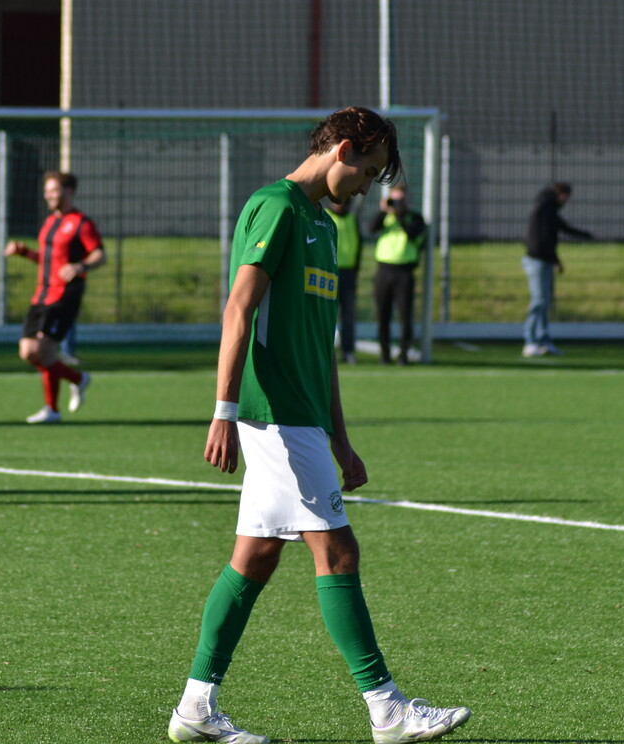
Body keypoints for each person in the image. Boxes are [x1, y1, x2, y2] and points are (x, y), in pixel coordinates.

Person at [168, 107, 470, 744]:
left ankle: (195, 707)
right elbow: (238, 310)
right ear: (344, 150)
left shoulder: (325, 228)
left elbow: (320, 346)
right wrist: (224, 410)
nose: (367, 188)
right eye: (368, 171)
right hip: (274, 413)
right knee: (337, 550)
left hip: (304, 419)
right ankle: (386, 709)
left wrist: (341, 437)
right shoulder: (275, 207)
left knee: (254, 558)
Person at [4, 171, 105, 424]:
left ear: (68, 191)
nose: (48, 195)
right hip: (42, 293)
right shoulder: (50, 222)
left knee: (44, 349)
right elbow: (48, 260)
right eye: (46, 191)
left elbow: (99, 255)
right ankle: (78, 379)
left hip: (65, 294)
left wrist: (80, 266)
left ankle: (52, 410)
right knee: (27, 351)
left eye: (53, 190)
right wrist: (24, 252)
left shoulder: (81, 223)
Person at [522, 182, 592, 357]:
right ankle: (530, 341)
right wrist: (556, 260)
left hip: (544, 260)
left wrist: (586, 235)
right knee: (538, 301)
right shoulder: (546, 207)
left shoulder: (549, 208)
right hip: (537, 260)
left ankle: (543, 341)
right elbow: (545, 238)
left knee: (545, 302)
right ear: (562, 195)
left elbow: (563, 227)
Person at [370, 184, 425, 365]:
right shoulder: (386, 217)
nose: (397, 203)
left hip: (404, 272)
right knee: (382, 314)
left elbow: (413, 234)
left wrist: (400, 214)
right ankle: (384, 354)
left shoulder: (415, 218)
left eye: (401, 199)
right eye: (395, 199)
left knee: (405, 315)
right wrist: (383, 210)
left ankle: (404, 354)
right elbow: (371, 228)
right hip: (384, 271)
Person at [326, 197, 361, 364]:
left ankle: (348, 351)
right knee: (326, 315)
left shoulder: (352, 219)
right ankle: (325, 350)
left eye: (345, 202)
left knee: (348, 315)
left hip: (348, 274)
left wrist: (356, 270)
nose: (341, 204)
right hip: (328, 272)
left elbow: (359, 246)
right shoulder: (325, 217)